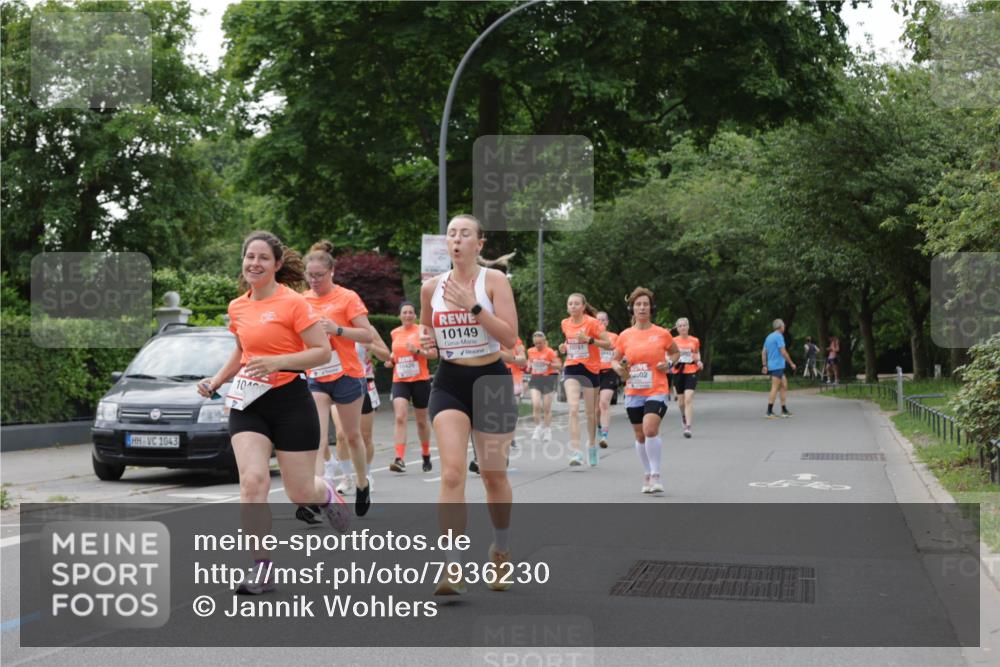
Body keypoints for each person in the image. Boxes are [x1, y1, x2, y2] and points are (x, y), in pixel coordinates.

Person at [197, 230, 349, 595]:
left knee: (299, 492)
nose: (255, 263)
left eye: (264, 258)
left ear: (277, 264)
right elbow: (241, 350)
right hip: (249, 403)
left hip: (291, 400)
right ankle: (262, 568)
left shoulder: (293, 303)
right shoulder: (238, 307)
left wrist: (278, 362)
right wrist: (217, 380)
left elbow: (322, 351)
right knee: (253, 482)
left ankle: (324, 492)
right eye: (250, 256)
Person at [419, 214, 519, 596]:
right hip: (449, 382)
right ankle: (452, 565)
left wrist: (474, 308)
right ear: (446, 244)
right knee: (452, 474)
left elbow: (510, 338)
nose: (457, 239)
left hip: (490, 380)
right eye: (451, 234)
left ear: (479, 244)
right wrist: (428, 344)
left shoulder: (493, 281)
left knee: (493, 475)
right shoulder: (431, 287)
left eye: (465, 234)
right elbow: (429, 332)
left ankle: (501, 549)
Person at [302, 240, 374, 517]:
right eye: (310, 276)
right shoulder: (303, 300)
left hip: (346, 375)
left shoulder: (347, 297)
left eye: (320, 275)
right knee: (318, 438)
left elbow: (367, 335)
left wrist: (337, 329)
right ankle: (318, 496)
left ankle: (362, 482)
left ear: (331, 272)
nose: (315, 280)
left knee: (352, 436)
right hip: (317, 375)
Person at [611, 287, 680, 493]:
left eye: (646, 304)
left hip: (656, 389)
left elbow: (675, 354)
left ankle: (656, 475)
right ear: (632, 308)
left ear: (651, 308)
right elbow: (614, 360)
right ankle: (647, 473)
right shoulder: (625, 336)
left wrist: (668, 364)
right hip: (633, 391)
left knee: (650, 428)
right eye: (638, 304)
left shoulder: (662, 334)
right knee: (640, 435)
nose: (642, 308)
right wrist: (618, 368)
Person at [559, 293, 612, 467]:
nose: (572, 306)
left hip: (591, 368)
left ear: (583, 306)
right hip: (572, 366)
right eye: (570, 304)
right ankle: (576, 451)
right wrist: (564, 346)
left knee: (590, 413)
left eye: (576, 303)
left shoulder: (592, 323)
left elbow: (609, 344)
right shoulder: (565, 323)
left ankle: (591, 445)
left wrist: (589, 340)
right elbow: (569, 341)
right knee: (573, 408)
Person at [386, 302, 436, 473]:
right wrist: (391, 360)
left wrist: (417, 351)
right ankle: (399, 458)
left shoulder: (422, 332)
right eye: (404, 312)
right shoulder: (394, 333)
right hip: (400, 379)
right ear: (399, 315)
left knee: (422, 422)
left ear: (415, 315)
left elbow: (433, 354)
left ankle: (426, 453)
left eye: (410, 312)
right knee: (400, 417)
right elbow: (396, 354)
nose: (407, 315)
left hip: (420, 380)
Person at [527, 331, 561, 442]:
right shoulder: (530, 351)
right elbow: (529, 361)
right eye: (536, 343)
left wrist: (550, 364)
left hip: (548, 380)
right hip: (535, 379)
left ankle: (547, 430)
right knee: (536, 404)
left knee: (546, 407)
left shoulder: (550, 352)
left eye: (540, 343)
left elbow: (559, 365)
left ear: (544, 342)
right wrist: (528, 365)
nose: (538, 345)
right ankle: (537, 428)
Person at [671, 317, 702, 438]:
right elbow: (669, 354)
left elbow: (697, 353)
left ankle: (688, 427)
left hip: (691, 370)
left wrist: (699, 361)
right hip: (678, 371)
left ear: (688, 327)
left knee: (688, 398)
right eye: (680, 326)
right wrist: (669, 361)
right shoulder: (673, 341)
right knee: (681, 401)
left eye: (685, 325)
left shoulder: (694, 340)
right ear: (677, 328)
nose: (683, 327)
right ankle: (683, 416)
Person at [762, 319, 797, 419]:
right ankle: (769, 412)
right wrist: (791, 363)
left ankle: (784, 410)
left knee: (784, 385)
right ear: (780, 327)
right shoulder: (779, 336)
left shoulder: (769, 337)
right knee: (775, 387)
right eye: (784, 326)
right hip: (777, 366)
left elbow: (764, 352)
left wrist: (764, 365)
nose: (784, 327)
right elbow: (783, 352)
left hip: (776, 366)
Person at [595, 311, 619, 449]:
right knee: (596, 408)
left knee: (604, 403)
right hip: (594, 372)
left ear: (607, 322)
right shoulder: (590, 337)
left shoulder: (614, 337)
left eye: (603, 320)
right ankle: (599, 428)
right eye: (598, 320)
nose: (601, 323)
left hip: (609, 372)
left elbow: (620, 352)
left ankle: (604, 435)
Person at [499, 337, 528, 450]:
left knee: (512, 410)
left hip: (514, 378)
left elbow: (523, 360)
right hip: (497, 375)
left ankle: (511, 438)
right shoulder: (492, 336)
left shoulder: (516, 340)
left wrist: (511, 358)